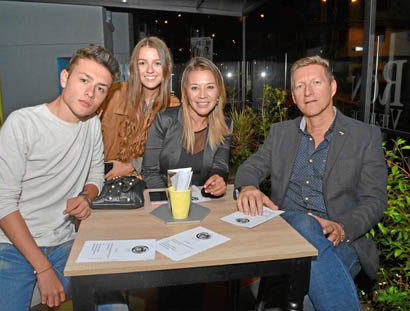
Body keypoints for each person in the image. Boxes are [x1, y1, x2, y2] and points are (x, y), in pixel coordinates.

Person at [0, 45, 121, 311]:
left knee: (114, 304)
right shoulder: (23, 124)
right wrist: (43, 269)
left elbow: (96, 174)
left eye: (101, 88)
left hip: (63, 241)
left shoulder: (91, 126)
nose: (90, 93)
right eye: (84, 80)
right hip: (11, 243)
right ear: (64, 78)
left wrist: (85, 196)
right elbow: (2, 204)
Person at [235, 56, 387, 311]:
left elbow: (375, 200)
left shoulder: (364, 136)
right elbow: (251, 167)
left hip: (339, 240)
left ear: (333, 87)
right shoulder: (281, 133)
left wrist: (341, 227)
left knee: (304, 302)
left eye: (316, 82)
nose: (308, 92)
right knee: (304, 223)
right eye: (299, 86)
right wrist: (249, 187)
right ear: (293, 97)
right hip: (287, 232)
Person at [142, 56, 232, 196]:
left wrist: (217, 180)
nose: (203, 95)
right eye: (195, 88)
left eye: (210, 87)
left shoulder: (225, 125)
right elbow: (150, 172)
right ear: (185, 93)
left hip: (204, 201)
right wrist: (171, 200)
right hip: (165, 199)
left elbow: (220, 166)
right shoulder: (164, 120)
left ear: (219, 92)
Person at [100, 36, 180, 180]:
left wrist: (132, 165)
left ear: (166, 68)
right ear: (134, 67)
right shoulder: (114, 94)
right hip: (107, 182)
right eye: (142, 63)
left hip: (148, 185)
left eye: (157, 63)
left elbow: (172, 155)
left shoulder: (172, 105)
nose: (150, 70)